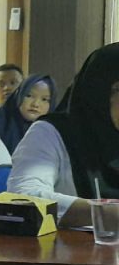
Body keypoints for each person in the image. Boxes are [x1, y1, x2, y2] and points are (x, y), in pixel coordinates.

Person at [8, 44, 119, 227]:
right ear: (98, 91)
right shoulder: (50, 132)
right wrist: (103, 213)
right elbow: (23, 197)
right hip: (71, 244)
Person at [0, 73, 57, 153]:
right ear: (19, 96)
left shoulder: (55, 134)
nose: (35, 104)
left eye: (44, 99)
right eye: (29, 96)